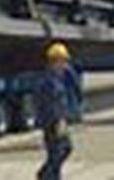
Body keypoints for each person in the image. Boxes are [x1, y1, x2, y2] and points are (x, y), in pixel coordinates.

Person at [37, 42, 76, 180]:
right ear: (56, 61)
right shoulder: (49, 81)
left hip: (59, 121)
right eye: (63, 60)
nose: (66, 64)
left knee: (65, 149)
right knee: (57, 152)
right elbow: (51, 104)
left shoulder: (58, 78)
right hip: (53, 123)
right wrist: (58, 121)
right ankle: (47, 176)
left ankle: (49, 175)